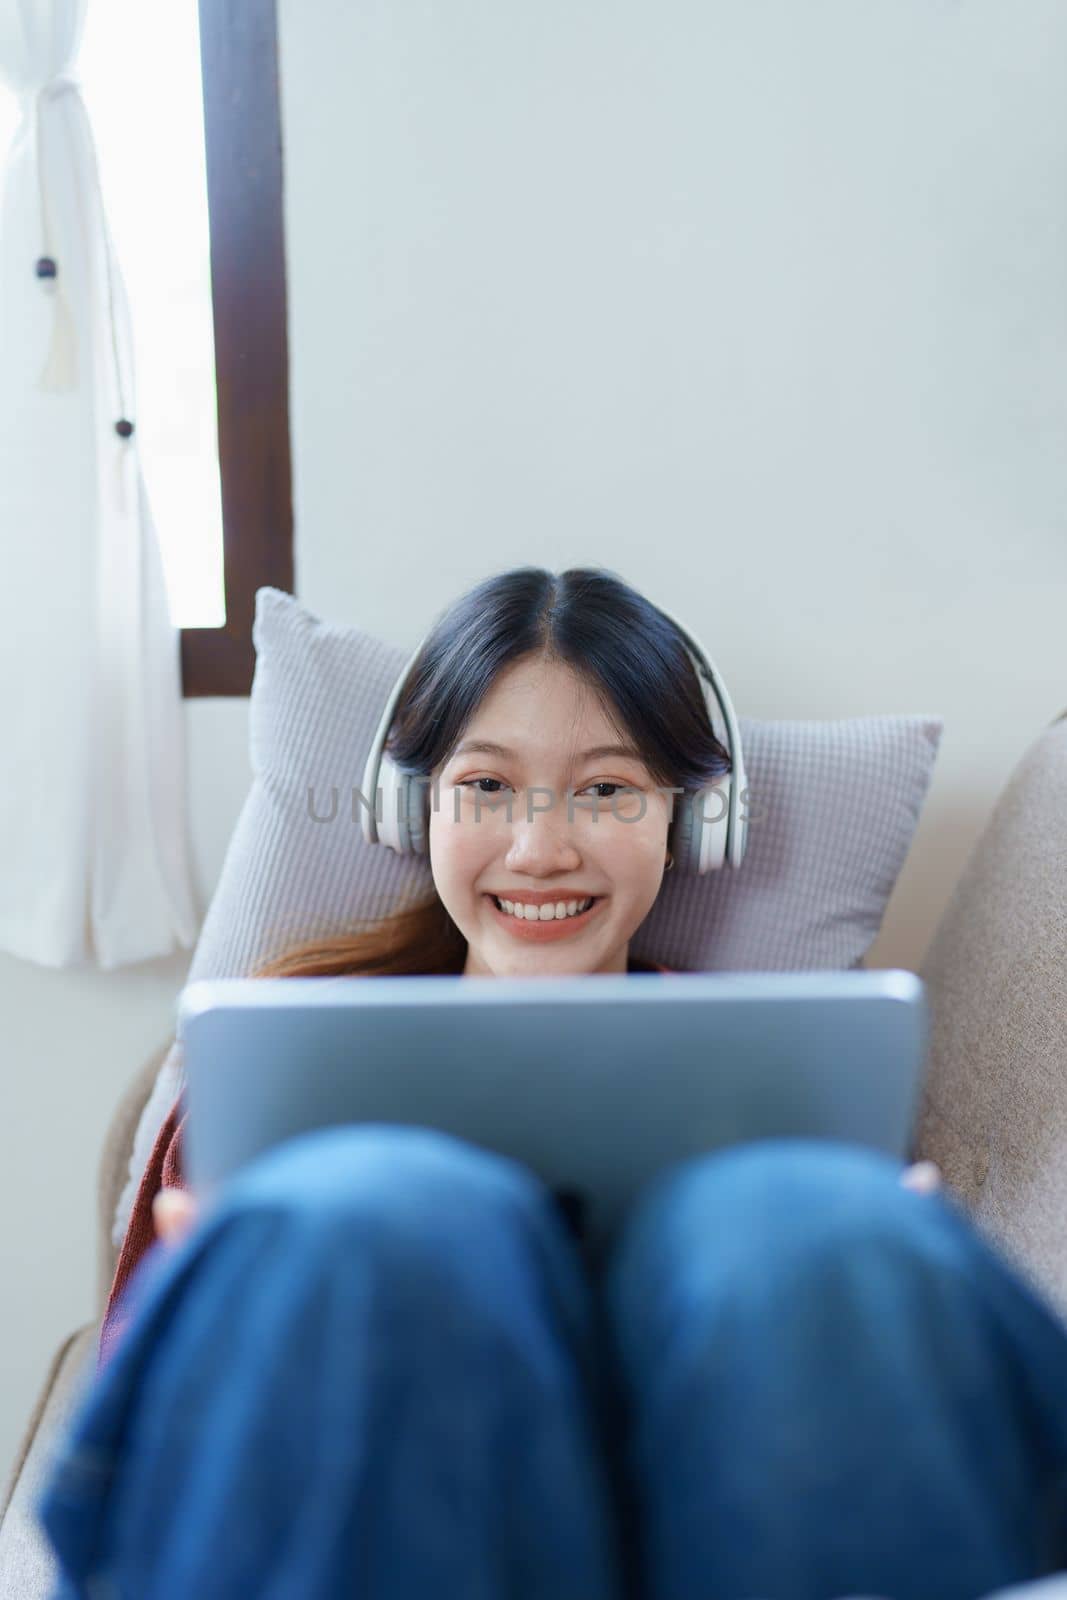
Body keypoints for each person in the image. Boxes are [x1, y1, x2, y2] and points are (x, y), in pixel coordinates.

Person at [36, 566, 1067, 1600]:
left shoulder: (775, 1083)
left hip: (696, 1517)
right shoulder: (280, 1054)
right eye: (485, 785)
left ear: (692, 818)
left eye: (606, 789)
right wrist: (216, 1283)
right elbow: (154, 1422)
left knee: (799, 1225)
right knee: (366, 1215)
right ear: (409, 808)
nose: (540, 849)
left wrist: (882, 1265)